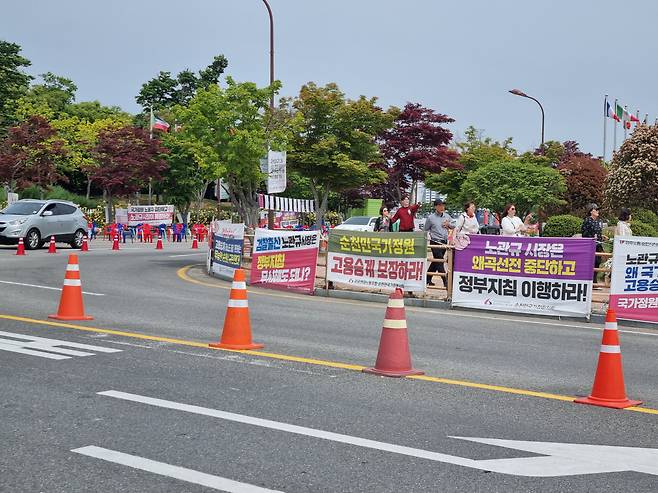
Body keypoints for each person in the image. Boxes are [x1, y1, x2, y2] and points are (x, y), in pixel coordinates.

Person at [424, 198, 454, 286]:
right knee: (440, 261)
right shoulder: (430, 218)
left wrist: (448, 225)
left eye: (443, 205)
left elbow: (454, 225)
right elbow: (425, 230)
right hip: (435, 242)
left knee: (436, 261)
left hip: (444, 242)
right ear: (435, 207)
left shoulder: (447, 216)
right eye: (440, 205)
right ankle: (445, 281)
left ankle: (427, 278)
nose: (442, 207)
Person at [581, 203, 607, 283]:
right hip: (591, 245)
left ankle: (594, 281)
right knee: (592, 262)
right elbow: (584, 233)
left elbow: (595, 232)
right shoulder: (587, 220)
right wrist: (591, 239)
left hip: (598, 245)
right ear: (591, 211)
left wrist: (601, 236)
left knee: (598, 262)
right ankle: (590, 281)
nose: (598, 211)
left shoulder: (597, 221)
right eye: (596, 210)